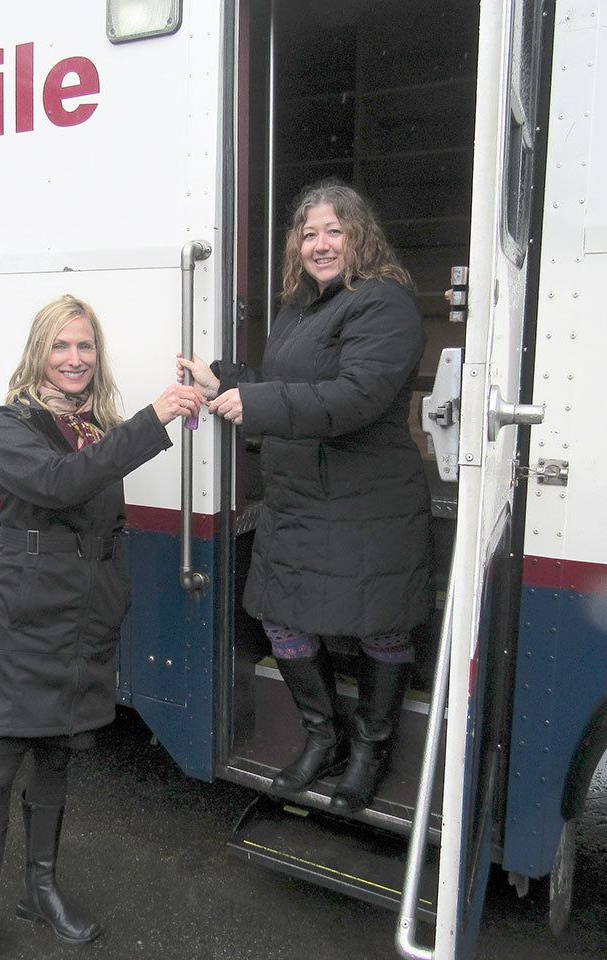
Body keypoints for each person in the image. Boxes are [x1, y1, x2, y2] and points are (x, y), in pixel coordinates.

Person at [0, 295, 203, 960]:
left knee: (58, 759)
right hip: (20, 628)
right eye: (61, 346)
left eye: (85, 347)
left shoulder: (99, 428)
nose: (74, 359)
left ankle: (40, 890)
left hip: (81, 623)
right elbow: (63, 483)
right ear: (40, 353)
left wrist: (114, 591)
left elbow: (108, 521)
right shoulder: (11, 427)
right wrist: (155, 419)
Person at [178, 179, 432, 815]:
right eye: (309, 232)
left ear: (358, 236)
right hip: (300, 500)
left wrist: (258, 401)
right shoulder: (300, 308)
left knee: (380, 626)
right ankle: (324, 738)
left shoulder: (385, 303)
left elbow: (356, 396)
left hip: (365, 501)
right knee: (280, 615)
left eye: (334, 231)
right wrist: (227, 381)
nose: (320, 244)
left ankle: (371, 751)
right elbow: (289, 384)